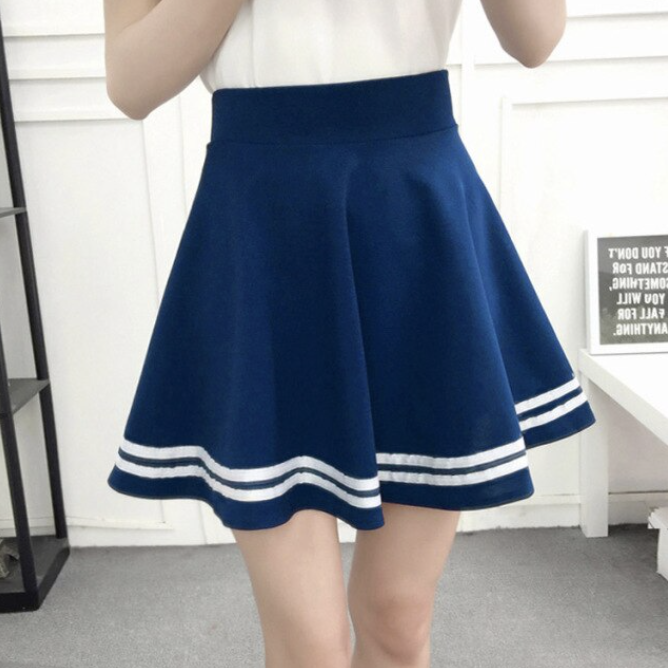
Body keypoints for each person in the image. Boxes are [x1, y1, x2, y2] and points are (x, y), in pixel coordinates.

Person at [103, 2, 593, 667]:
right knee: (310, 645)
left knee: (397, 616)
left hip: (412, 210)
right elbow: (131, 82)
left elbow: (536, 38)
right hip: (263, 218)